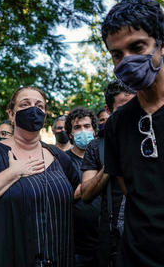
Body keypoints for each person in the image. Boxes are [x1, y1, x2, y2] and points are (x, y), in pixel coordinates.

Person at [0, 86, 79, 267]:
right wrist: (13, 173)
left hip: (60, 257)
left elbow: (77, 192)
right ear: (12, 114)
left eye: (39, 106)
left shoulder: (58, 156)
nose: (33, 109)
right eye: (25, 104)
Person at [101, 0, 164, 267]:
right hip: (136, 257)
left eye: (137, 47)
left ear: (160, 45)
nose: (127, 61)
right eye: (117, 54)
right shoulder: (117, 124)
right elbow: (128, 188)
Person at [81, 80, 135, 267]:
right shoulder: (98, 146)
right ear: (109, 109)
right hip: (112, 241)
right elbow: (86, 194)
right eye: (123, 107)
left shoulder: (152, 138)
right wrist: (112, 160)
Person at [65, 107, 100, 267]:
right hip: (76, 246)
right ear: (70, 134)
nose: (83, 131)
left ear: (94, 130)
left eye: (87, 126)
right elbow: (63, 195)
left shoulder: (104, 156)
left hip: (104, 242)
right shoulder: (63, 160)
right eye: (77, 127)